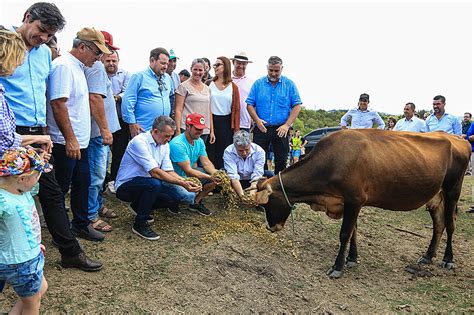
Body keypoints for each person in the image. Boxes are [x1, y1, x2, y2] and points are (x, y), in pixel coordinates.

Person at [0, 4, 102, 271]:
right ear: (26, 18)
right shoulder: (4, 43)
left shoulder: (45, 54)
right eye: (42, 30)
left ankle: (69, 251)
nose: (44, 38)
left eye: (50, 34)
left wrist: (44, 130)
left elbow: (43, 94)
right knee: (8, 196)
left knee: (52, 193)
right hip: (8, 133)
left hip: (35, 135)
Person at [47, 27, 111, 242]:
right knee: (60, 189)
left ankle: (81, 224)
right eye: (96, 52)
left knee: (82, 184)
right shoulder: (63, 66)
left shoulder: (79, 68)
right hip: (66, 142)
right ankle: (61, 234)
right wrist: (70, 139)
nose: (98, 57)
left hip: (80, 142)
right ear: (82, 47)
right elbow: (58, 104)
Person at [115, 116, 200, 240]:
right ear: (155, 131)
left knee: (175, 197)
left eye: (171, 136)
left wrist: (185, 181)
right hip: (126, 185)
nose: (169, 139)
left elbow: (168, 170)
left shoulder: (164, 144)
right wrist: (182, 183)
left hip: (148, 183)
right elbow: (155, 172)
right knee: (154, 183)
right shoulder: (139, 142)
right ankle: (139, 224)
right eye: (166, 136)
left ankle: (139, 206)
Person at [0, 148, 51, 314]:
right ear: (22, 178)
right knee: (32, 304)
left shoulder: (22, 190)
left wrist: (34, 245)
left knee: (41, 288)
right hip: (21, 262)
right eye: (37, 176)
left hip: (29, 255)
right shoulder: (4, 201)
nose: (38, 180)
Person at [85, 30, 121, 233]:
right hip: (98, 133)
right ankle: (91, 214)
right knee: (96, 175)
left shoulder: (97, 67)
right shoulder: (97, 68)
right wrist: (104, 129)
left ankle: (96, 205)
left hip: (101, 132)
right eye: (107, 50)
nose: (109, 54)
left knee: (98, 174)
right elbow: (95, 99)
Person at [246, 56, 302, 174]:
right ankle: (259, 186)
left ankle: (278, 188)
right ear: (267, 68)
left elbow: (297, 106)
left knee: (281, 160)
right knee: (258, 160)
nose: (273, 73)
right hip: (262, 127)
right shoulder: (258, 84)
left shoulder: (289, 85)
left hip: (281, 128)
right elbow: (249, 104)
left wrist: (287, 125)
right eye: (271, 70)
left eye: (276, 71)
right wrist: (257, 120)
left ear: (282, 69)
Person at [169, 113, 221, 216]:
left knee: (215, 179)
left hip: (188, 175)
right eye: (197, 129)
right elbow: (188, 170)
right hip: (174, 177)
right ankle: (171, 202)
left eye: (202, 129)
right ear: (188, 126)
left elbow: (206, 162)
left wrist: (216, 174)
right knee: (187, 195)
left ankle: (195, 202)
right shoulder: (177, 144)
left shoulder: (199, 141)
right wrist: (210, 177)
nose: (200, 132)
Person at [122, 47, 173, 137]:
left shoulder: (168, 78)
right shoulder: (138, 77)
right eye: (162, 63)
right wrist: (132, 123)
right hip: (143, 130)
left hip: (162, 132)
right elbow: (128, 101)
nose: (165, 67)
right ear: (152, 60)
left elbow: (170, 98)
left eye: (167, 64)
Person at [102, 48, 132, 194]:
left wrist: (117, 97)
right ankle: (101, 181)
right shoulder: (98, 73)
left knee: (119, 151)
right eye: (108, 61)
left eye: (114, 60)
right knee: (102, 152)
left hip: (120, 120)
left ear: (118, 61)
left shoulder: (126, 75)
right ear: (103, 61)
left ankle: (114, 180)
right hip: (101, 121)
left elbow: (128, 92)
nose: (111, 63)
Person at [207, 56, 240, 169]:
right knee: (210, 153)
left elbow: (236, 110)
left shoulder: (233, 87)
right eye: (214, 65)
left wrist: (236, 130)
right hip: (211, 121)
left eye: (218, 65)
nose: (215, 67)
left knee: (225, 155)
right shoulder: (208, 84)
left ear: (226, 66)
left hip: (226, 123)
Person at [223, 130, 273, 199]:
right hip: (236, 181)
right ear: (235, 146)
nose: (244, 153)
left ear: (250, 144)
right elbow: (233, 176)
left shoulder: (259, 151)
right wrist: (242, 196)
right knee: (222, 175)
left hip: (252, 180)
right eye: (240, 151)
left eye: (247, 149)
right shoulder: (228, 151)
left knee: (270, 175)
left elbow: (257, 173)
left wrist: (252, 191)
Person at [174, 58, 214, 142]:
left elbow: (209, 112)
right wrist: (177, 130)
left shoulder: (208, 89)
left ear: (204, 71)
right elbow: (178, 109)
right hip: (187, 128)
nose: (198, 72)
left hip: (203, 130)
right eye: (195, 69)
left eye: (200, 70)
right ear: (191, 69)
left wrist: (212, 131)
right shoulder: (183, 86)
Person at [231, 51, 254, 132]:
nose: (241, 66)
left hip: (245, 122)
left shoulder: (251, 82)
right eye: (239, 63)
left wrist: (252, 118)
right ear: (233, 62)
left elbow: (254, 103)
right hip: (229, 122)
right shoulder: (227, 80)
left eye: (243, 64)